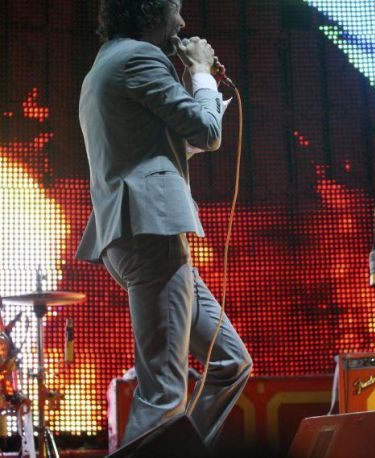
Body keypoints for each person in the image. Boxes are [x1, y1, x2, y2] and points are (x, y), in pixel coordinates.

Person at [76, 0, 252, 449]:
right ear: (151, 12)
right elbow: (206, 133)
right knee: (163, 393)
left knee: (230, 363)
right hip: (149, 233)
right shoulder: (140, 57)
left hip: (134, 233)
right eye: (176, 9)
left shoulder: (107, 63)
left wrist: (200, 90)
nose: (183, 21)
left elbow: (167, 144)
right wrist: (202, 72)